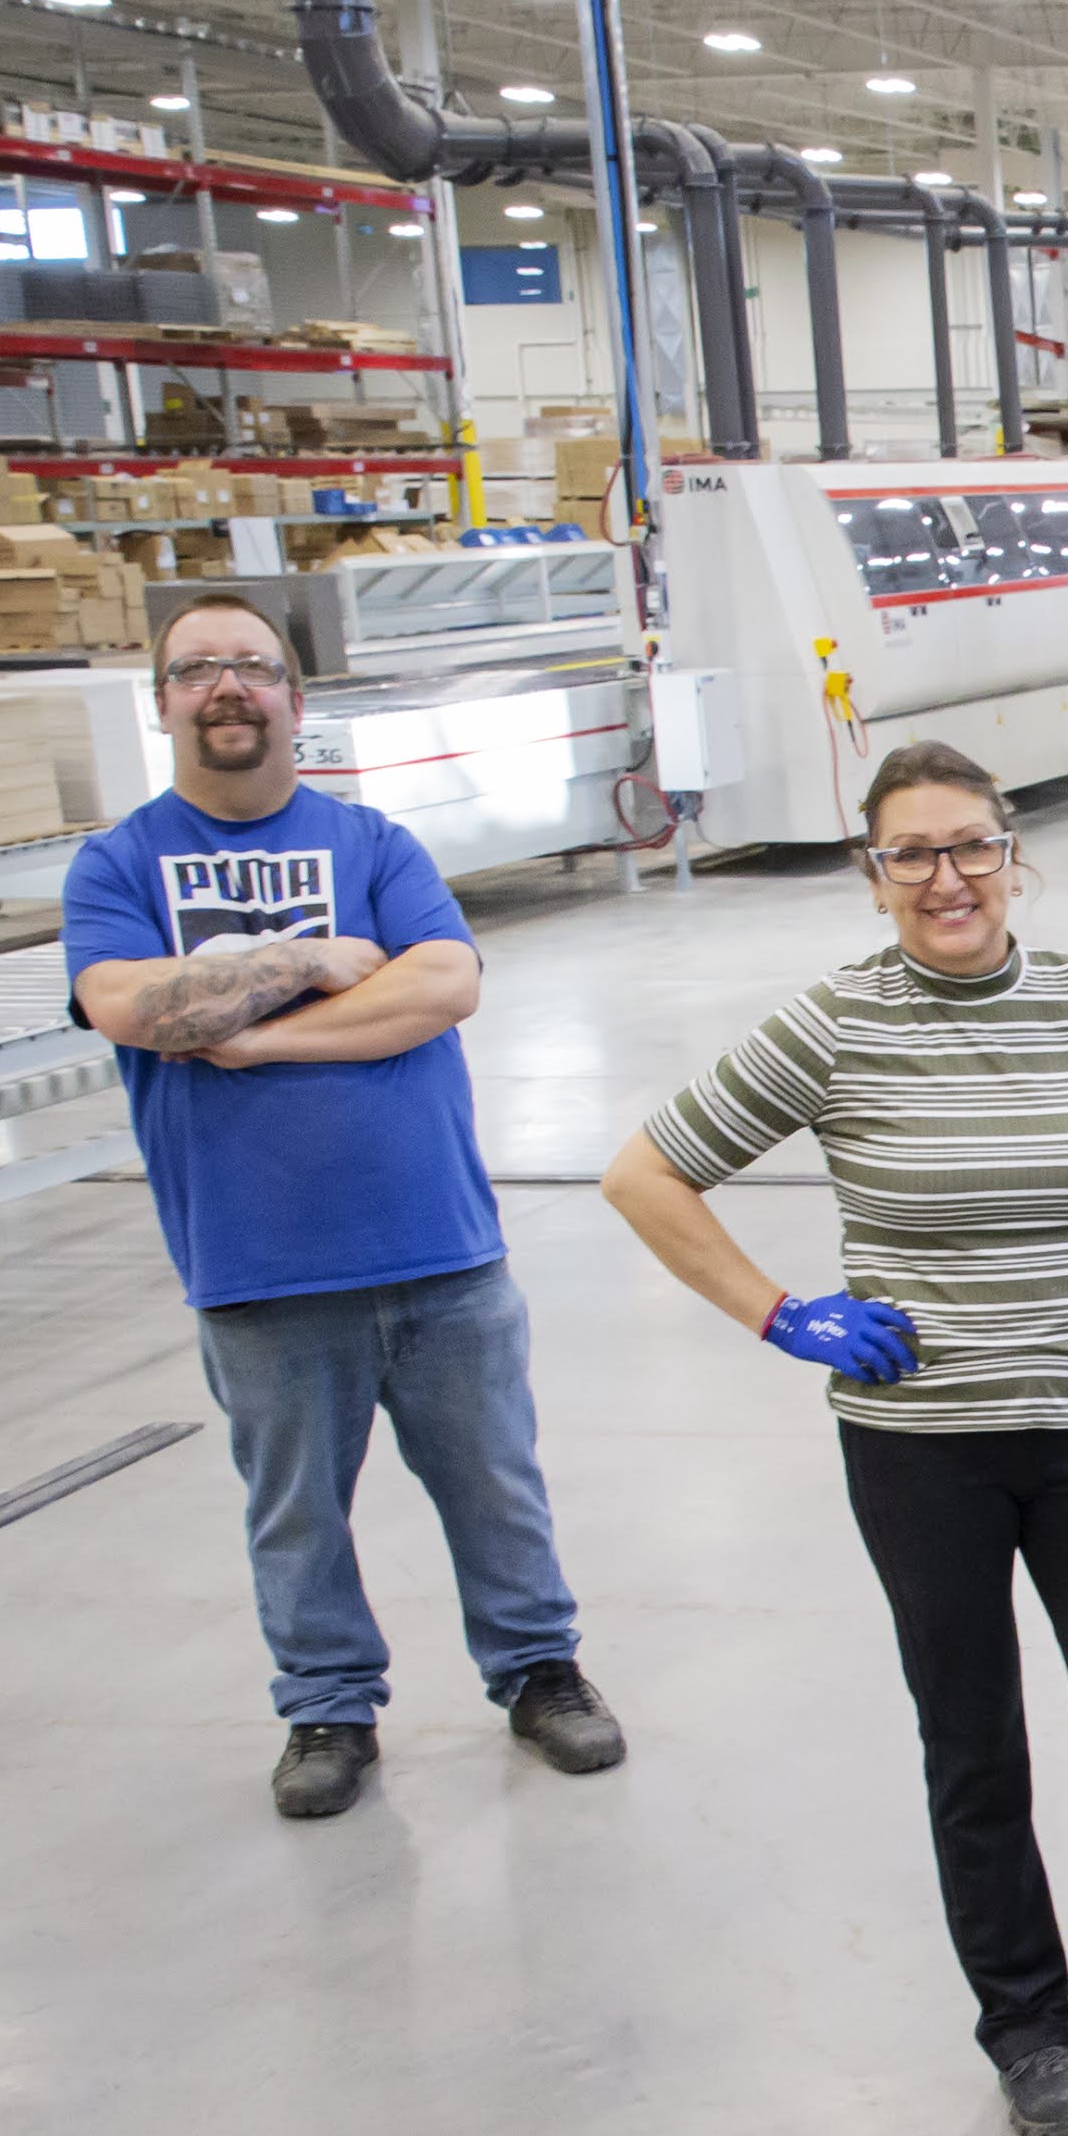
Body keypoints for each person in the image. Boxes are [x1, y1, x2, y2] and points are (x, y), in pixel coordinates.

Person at [599, 744, 1068, 2136]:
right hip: (919, 1451)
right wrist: (776, 1311)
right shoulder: (833, 1024)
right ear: (873, 875)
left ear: (1013, 856)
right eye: (909, 852)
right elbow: (644, 1172)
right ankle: (1027, 2029)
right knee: (972, 1741)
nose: (944, 877)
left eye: (968, 844)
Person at [61, 589, 625, 1820]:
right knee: (295, 1513)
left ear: (293, 696)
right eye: (196, 668)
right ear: (162, 702)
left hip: (438, 1245)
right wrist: (312, 959)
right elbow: (128, 1007)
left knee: (495, 1484)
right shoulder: (119, 863)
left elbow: (443, 984)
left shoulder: (373, 844)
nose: (226, 686)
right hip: (256, 1260)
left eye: (251, 665)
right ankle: (326, 1705)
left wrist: (250, 1033)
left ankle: (538, 1669)